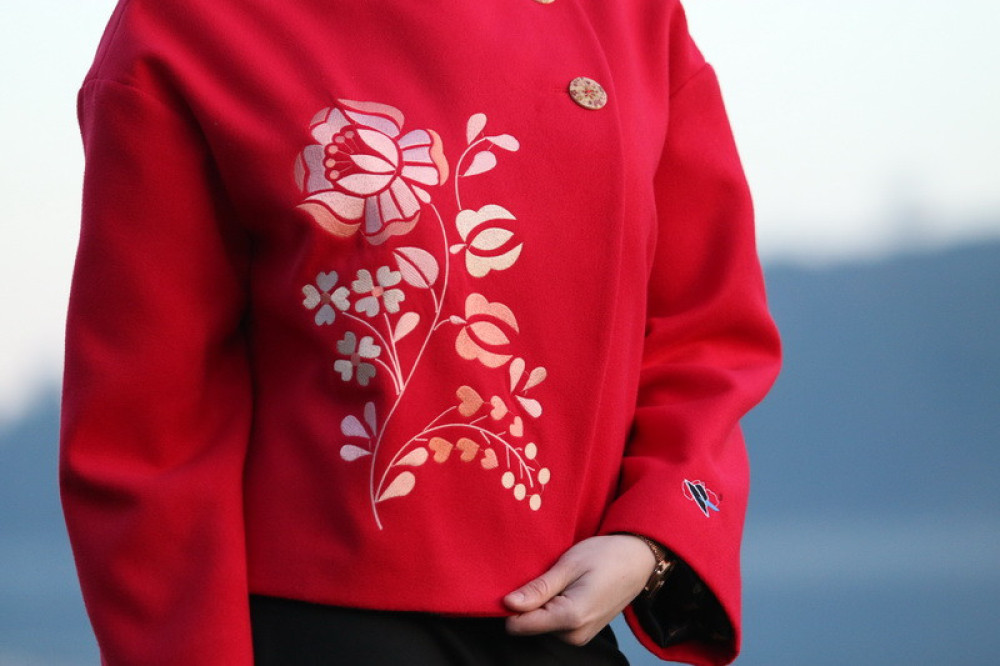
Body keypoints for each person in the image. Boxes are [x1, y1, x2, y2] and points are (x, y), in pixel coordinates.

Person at [60, 0, 781, 664]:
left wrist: (650, 539)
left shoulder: (631, 15)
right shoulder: (189, 22)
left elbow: (707, 330)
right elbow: (144, 414)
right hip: (314, 631)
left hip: (568, 625)